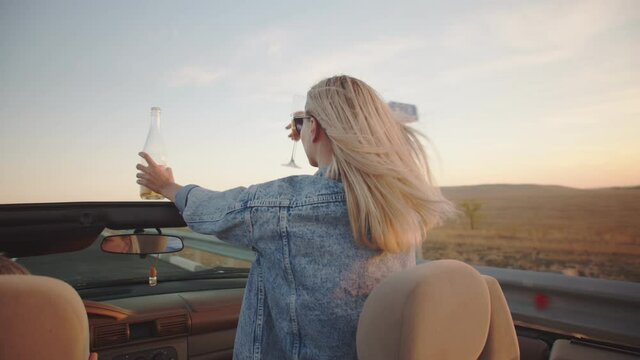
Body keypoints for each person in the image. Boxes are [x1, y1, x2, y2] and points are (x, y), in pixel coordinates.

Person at [136, 75, 454, 359]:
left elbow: (215, 211)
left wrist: (166, 185)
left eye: (300, 124)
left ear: (314, 128)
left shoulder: (285, 207)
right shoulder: (404, 208)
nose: (298, 132)